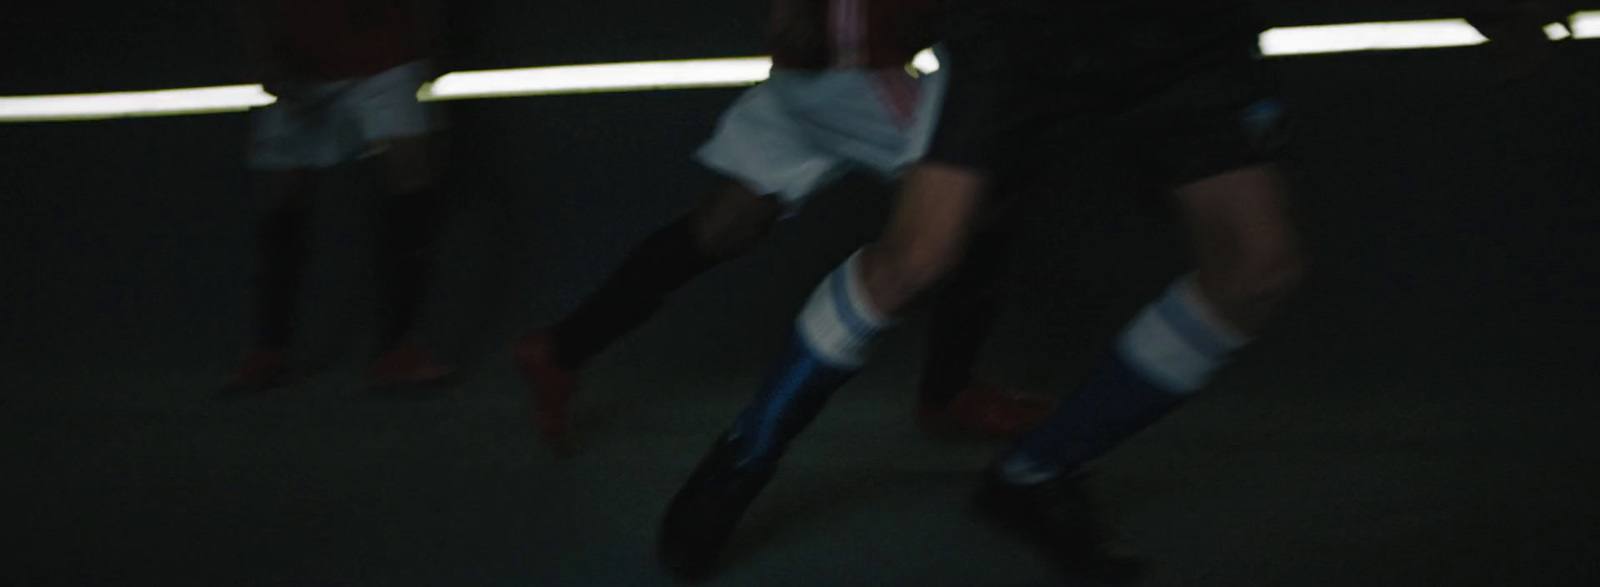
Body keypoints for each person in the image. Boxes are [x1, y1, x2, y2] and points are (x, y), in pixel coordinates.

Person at [658, 0, 1308, 580]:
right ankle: (747, 451)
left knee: (1255, 271)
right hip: (1028, 24)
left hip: (1185, 27)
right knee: (917, 259)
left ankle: (1035, 473)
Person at [512, 0, 1055, 453]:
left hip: (813, 70)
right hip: (854, 66)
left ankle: (561, 349)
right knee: (977, 193)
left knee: (727, 224)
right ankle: (947, 397)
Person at [224, 0, 457, 395]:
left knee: (411, 181)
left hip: (388, 56)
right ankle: (270, 351)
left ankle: (395, 352)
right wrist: (262, 53)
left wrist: (432, 39)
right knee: (284, 200)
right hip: (301, 66)